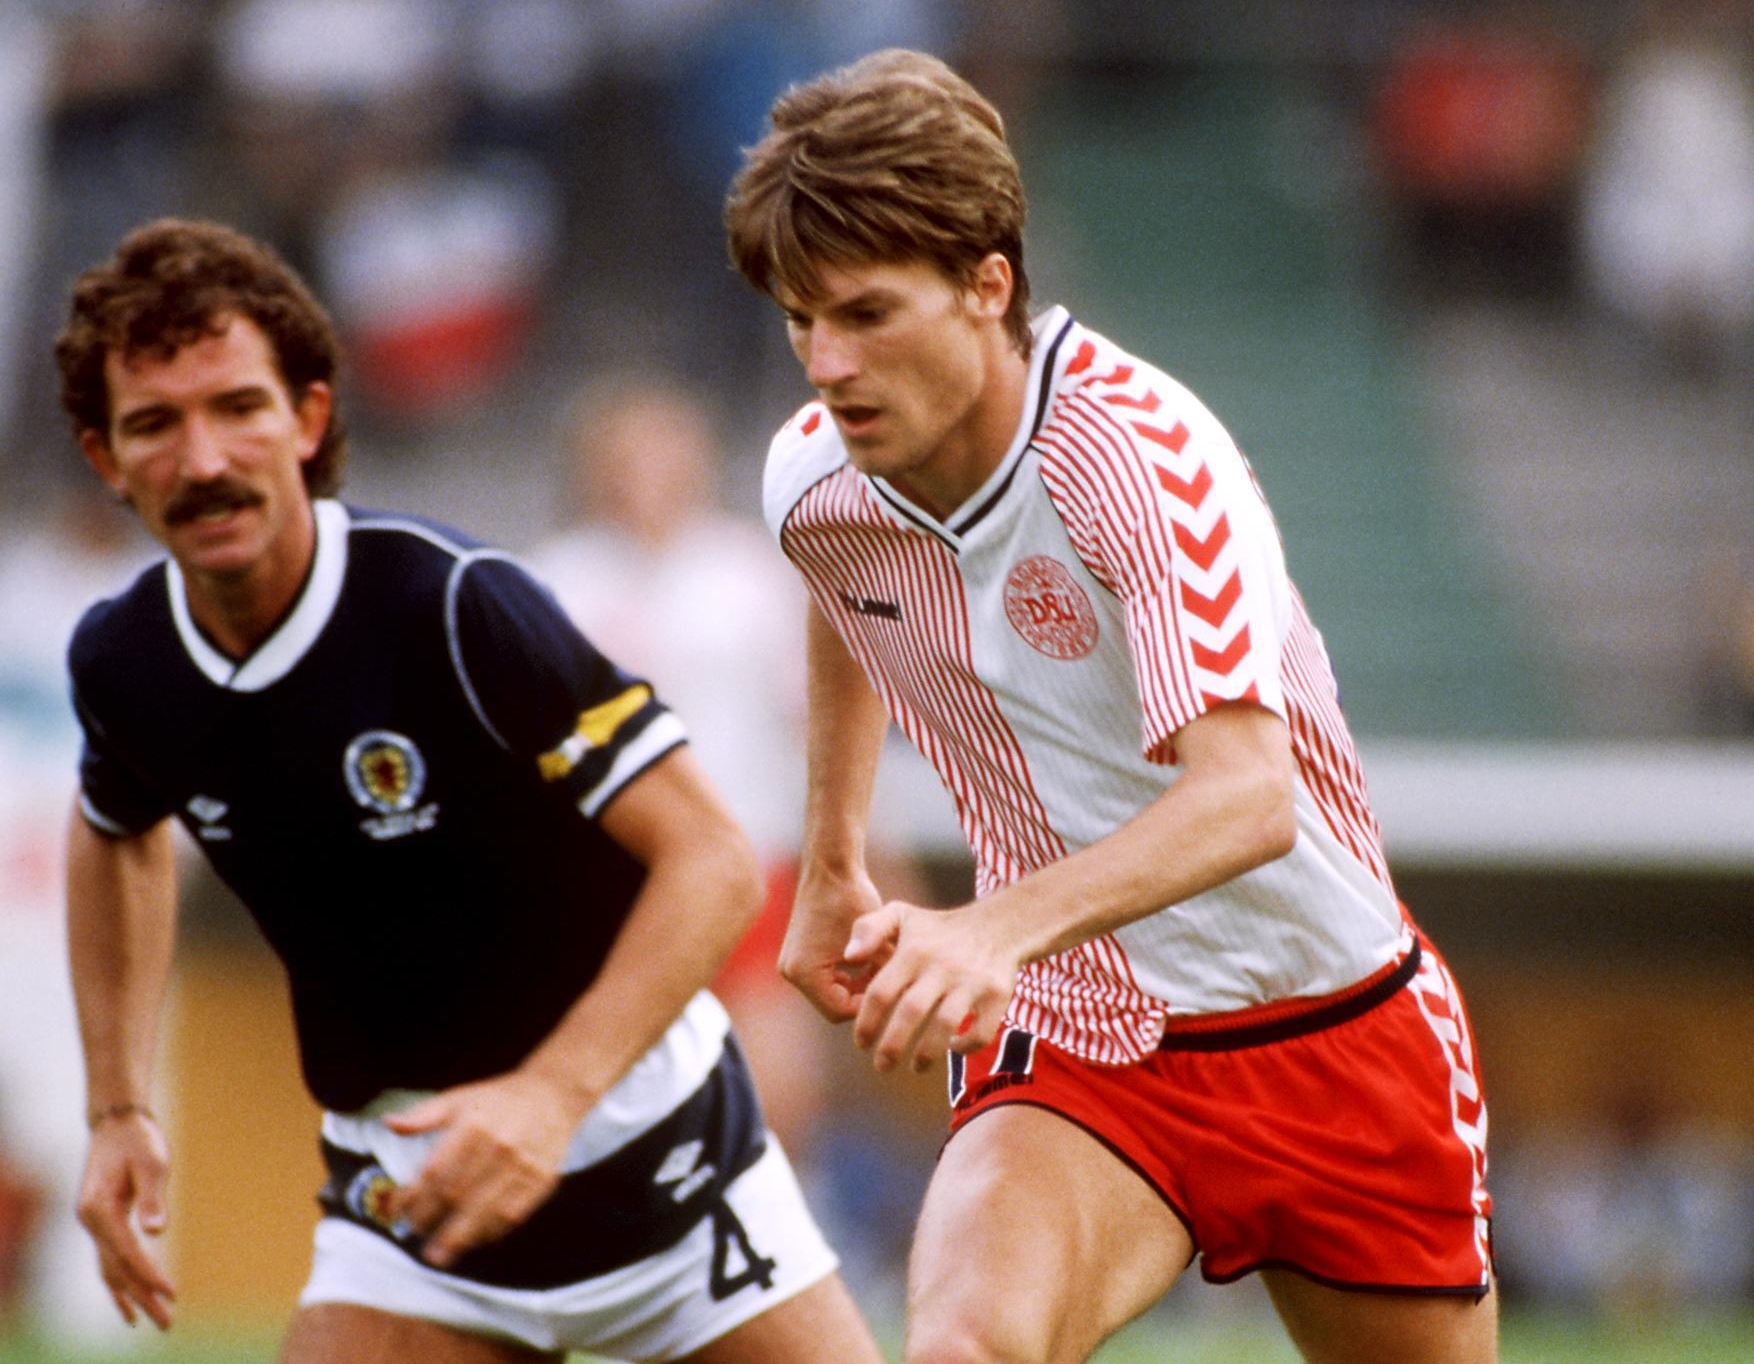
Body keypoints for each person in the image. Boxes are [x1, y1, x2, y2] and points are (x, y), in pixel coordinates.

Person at [725, 49, 1497, 1364]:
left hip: (1331, 1024)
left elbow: (1250, 799)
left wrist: (988, 933)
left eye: (863, 313)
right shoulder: (815, 480)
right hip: (1081, 1037)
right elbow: (840, 584)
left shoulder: (1137, 455)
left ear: (987, 284)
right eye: (800, 322)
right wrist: (833, 858)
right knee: (964, 1347)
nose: (827, 364)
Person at [53, 217, 884, 1364]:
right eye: (155, 423)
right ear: (104, 456)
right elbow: (114, 827)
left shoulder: (454, 603)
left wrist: (546, 1098)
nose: (202, 459)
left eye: (237, 407)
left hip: (668, 1177)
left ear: (307, 415)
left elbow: (715, 860)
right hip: (412, 1225)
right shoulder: (123, 659)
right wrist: (115, 1106)